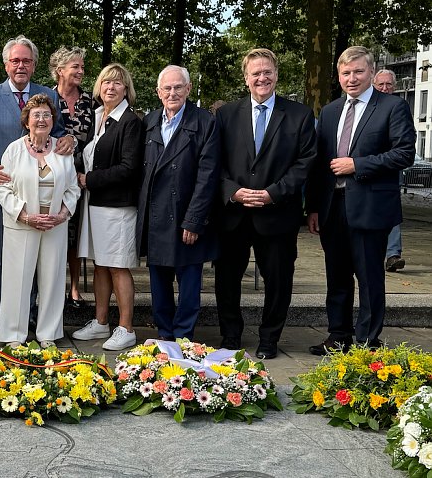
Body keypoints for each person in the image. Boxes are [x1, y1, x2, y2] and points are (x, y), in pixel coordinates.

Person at [306, 46, 415, 354]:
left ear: (370, 72)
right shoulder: (329, 111)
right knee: (336, 275)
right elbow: (318, 164)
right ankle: (338, 336)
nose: (351, 78)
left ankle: (367, 341)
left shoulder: (392, 107)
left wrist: (358, 164)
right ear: (339, 76)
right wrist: (312, 207)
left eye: (358, 72)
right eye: (345, 73)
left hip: (370, 206)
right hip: (332, 207)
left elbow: (405, 153)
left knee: (368, 277)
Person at [214, 48, 316, 360]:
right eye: (255, 73)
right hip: (234, 215)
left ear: (276, 75)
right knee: (227, 280)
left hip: (277, 214)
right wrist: (233, 191)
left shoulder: (299, 115)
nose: (262, 78)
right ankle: (231, 335)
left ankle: (270, 338)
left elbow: (305, 162)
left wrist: (273, 192)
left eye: (267, 72)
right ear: (246, 78)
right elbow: (212, 163)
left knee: (279, 281)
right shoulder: (225, 114)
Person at [0, 35, 75, 334]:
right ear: (6, 64)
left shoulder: (48, 95)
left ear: (34, 65)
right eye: (15, 60)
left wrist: (70, 139)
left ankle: (31, 316)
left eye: (27, 61)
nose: (21, 66)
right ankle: (1, 316)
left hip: (46, 192)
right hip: (6, 192)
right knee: (4, 257)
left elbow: (56, 134)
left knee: (42, 261)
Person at [136, 65, 219, 341]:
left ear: (189, 89)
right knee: (158, 284)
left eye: (178, 87)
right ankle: (164, 335)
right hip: (157, 217)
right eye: (167, 88)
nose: (173, 93)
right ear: (159, 93)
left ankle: (184, 337)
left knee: (189, 283)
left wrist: (194, 219)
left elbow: (208, 177)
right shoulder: (149, 121)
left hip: (186, 216)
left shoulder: (206, 122)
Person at [0, 94, 80, 348]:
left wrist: (63, 215)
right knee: (17, 279)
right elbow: (3, 188)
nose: (42, 119)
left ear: (53, 120)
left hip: (55, 224)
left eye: (46, 115)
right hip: (22, 224)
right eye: (36, 115)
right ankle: (13, 335)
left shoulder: (62, 149)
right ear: (26, 121)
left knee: (53, 279)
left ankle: (48, 334)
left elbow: (73, 187)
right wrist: (24, 215)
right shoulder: (14, 150)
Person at [72, 63, 143, 351]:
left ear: (126, 88)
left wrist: (89, 179)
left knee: (117, 266)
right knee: (99, 265)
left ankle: (126, 328)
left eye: (117, 83)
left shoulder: (130, 121)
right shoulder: (99, 116)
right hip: (94, 204)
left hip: (117, 207)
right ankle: (101, 322)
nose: (110, 88)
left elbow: (129, 168)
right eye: (105, 83)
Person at [50, 46, 93, 310]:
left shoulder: (91, 100)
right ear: (59, 70)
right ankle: (52, 290)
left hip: (82, 178)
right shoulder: (45, 97)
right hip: (52, 178)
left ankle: (75, 290)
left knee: (76, 236)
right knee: (56, 234)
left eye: (81, 67)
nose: (80, 71)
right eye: (75, 66)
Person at [373, 69, 406, 273]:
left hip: (391, 172)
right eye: (381, 85)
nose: (385, 88)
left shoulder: (399, 108)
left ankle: (393, 254)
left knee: (391, 213)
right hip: (365, 172)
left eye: (389, 85)